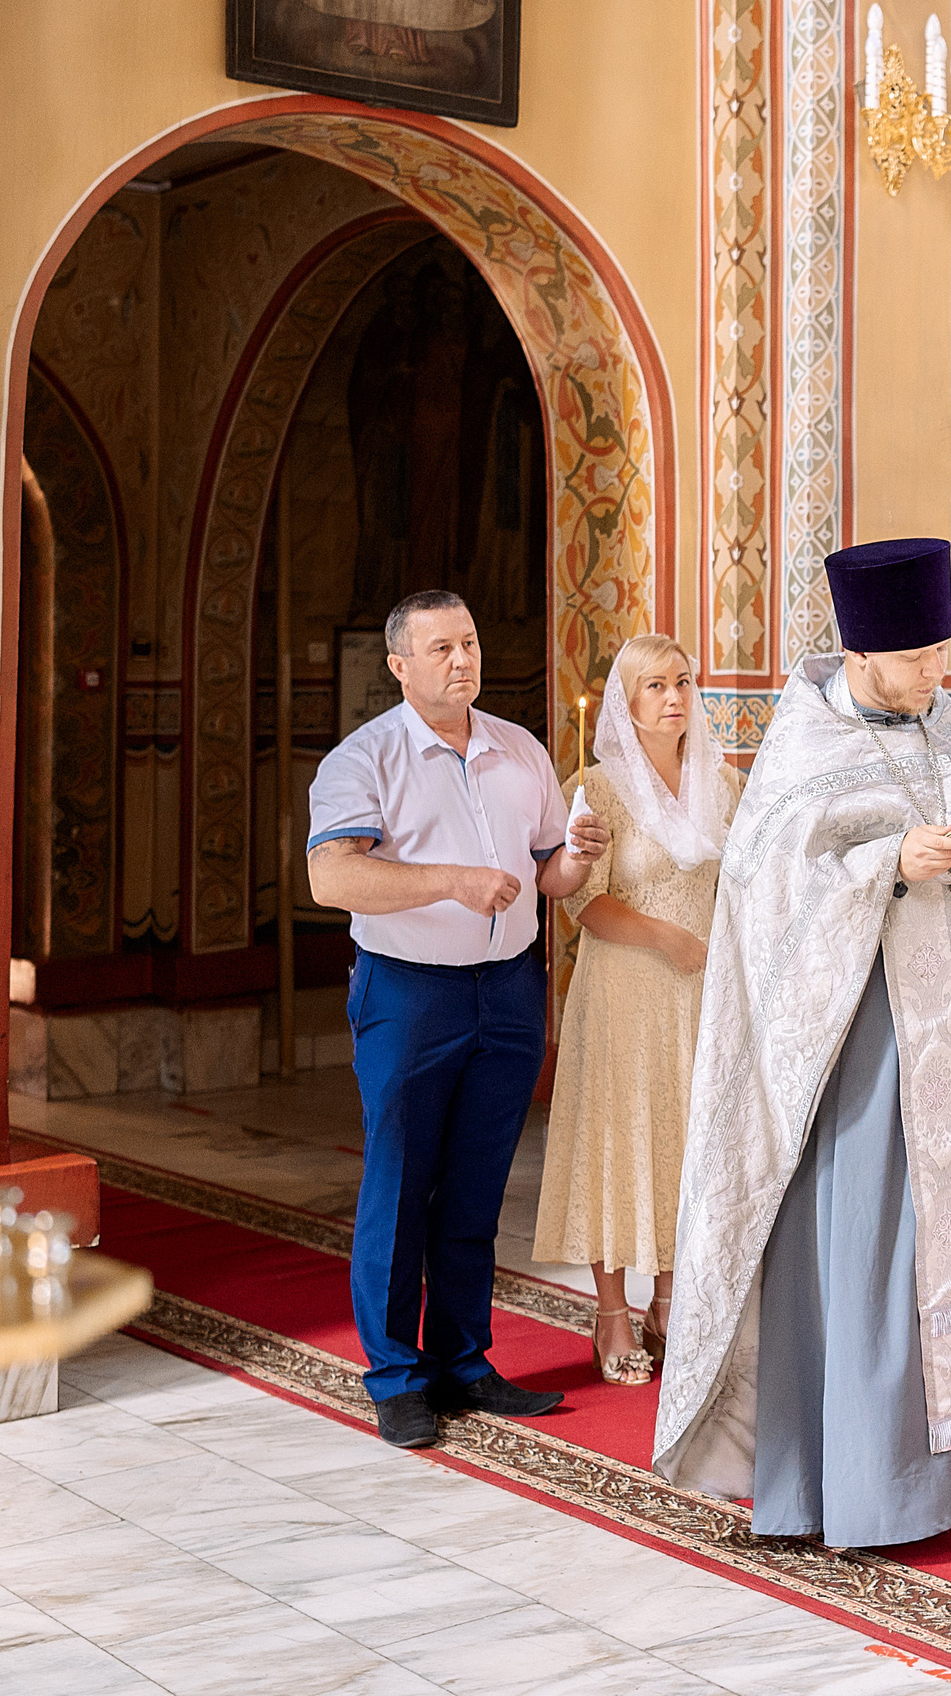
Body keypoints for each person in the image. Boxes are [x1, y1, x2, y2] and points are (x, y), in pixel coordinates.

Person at [652, 537, 951, 1551]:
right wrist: (888, 860)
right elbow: (766, 892)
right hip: (867, 1039)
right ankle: (870, 1481)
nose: (941, 673)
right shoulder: (805, 742)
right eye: (921, 655)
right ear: (862, 648)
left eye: (944, 650)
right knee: (879, 1241)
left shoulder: (944, 723)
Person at [306, 589, 610, 1450]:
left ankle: (465, 1359)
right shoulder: (362, 761)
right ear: (400, 664)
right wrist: (451, 879)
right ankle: (397, 1377)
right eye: (440, 648)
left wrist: (579, 863)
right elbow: (334, 880)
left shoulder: (521, 751)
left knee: (478, 1184)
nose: (462, 660)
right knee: (401, 1181)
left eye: (469, 642)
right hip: (410, 991)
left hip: (508, 985)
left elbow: (549, 875)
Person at [536, 634, 740, 1386]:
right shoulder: (597, 787)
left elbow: (742, 884)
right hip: (624, 985)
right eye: (654, 685)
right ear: (626, 703)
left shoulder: (723, 782)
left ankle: (670, 1298)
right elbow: (583, 904)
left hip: (701, 991)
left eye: (683, 680)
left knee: (686, 1141)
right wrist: (666, 938)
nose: (674, 696)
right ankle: (612, 1313)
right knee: (619, 1141)